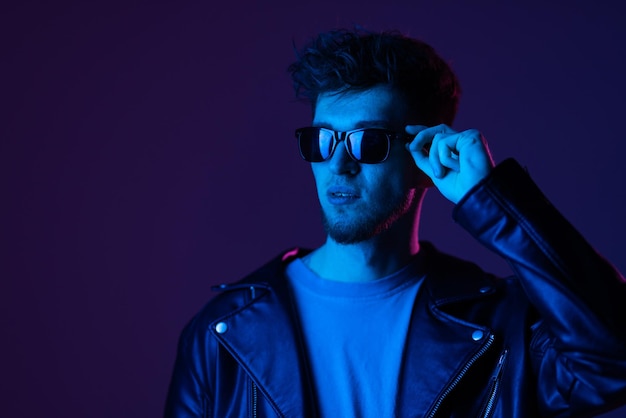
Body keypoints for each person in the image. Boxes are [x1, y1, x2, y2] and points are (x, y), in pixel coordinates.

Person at [164, 29, 626, 417]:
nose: (338, 164)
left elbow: (612, 360)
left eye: (367, 141)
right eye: (321, 140)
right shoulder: (223, 334)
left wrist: (491, 199)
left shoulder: (500, 328)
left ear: (422, 160)